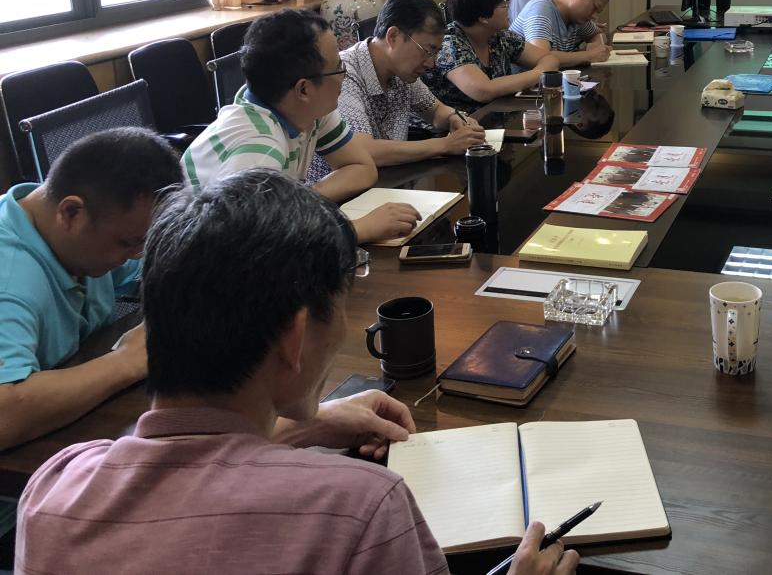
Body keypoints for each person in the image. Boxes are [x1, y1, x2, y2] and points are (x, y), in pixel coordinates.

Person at [15, 169, 577, 575]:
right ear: (295, 336)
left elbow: (189, 469)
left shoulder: (52, 488)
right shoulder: (360, 509)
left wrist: (303, 426)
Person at [0, 128, 182, 553]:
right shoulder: (10, 279)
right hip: (13, 509)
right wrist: (128, 361)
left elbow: (159, 269)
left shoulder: (69, 235)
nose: (135, 254)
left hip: (58, 466)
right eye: (127, 242)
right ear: (70, 212)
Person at [182, 9, 419, 244]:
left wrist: (298, 202)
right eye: (339, 68)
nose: (344, 77)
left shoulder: (309, 110)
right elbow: (252, 242)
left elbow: (362, 168)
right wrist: (358, 229)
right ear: (304, 89)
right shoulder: (259, 148)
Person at [309, 0, 485, 180]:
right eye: (428, 51)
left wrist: (455, 118)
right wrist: (445, 145)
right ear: (393, 37)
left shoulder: (401, 72)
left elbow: (435, 111)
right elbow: (361, 150)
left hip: (390, 182)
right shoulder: (344, 74)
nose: (431, 63)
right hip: (342, 192)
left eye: (436, 53)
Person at [423, 0, 560, 113]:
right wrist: (541, 73)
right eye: (503, 4)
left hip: (497, 117)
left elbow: (549, 58)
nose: (508, 6)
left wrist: (540, 72)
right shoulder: (449, 44)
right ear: (483, 17)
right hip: (457, 123)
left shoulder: (500, 36)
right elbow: (483, 91)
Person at [510, 0, 612, 63]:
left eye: (598, 12)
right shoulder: (540, 8)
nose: (594, 16)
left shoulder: (577, 17)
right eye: (594, 7)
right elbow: (541, 58)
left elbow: (597, 34)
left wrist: (596, 43)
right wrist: (588, 55)